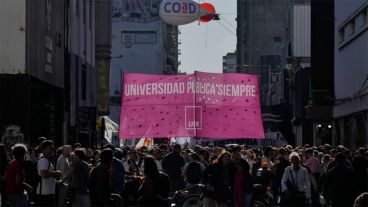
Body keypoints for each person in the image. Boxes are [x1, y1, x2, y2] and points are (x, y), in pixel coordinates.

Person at [36, 140, 62, 206]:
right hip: (45, 193)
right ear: (46, 148)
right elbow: (44, 174)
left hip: (47, 192)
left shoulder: (46, 159)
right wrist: (56, 173)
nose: (53, 149)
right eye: (51, 147)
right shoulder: (43, 160)